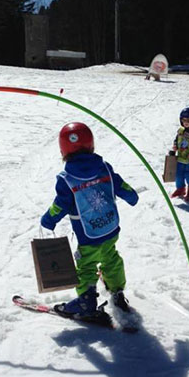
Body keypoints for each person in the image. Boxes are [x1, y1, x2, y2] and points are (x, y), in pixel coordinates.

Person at [40, 122, 139, 318]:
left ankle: (86, 300)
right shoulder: (104, 168)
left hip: (88, 237)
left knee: (86, 265)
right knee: (111, 258)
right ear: (91, 145)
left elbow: (61, 204)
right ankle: (117, 290)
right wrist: (131, 196)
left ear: (63, 150)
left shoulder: (66, 179)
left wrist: (48, 219)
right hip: (110, 229)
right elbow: (121, 185)